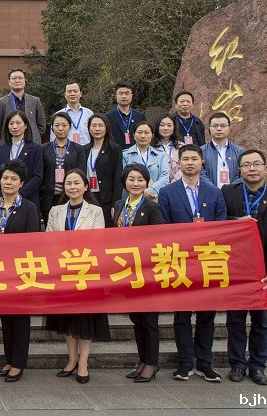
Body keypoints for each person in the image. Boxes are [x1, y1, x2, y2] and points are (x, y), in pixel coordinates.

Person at [158, 143, 227, 384]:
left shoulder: (215, 193)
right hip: (180, 261)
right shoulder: (167, 192)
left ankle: (205, 363)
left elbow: (221, 228)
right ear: (178, 164)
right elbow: (164, 228)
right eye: (185, 159)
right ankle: (185, 362)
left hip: (208, 261)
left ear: (202, 163)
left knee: (207, 316)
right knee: (182, 316)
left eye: (194, 159)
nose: (189, 163)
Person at [223, 149, 267, 386]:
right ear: (239, 170)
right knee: (235, 320)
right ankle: (237, 364)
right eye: (246, 165)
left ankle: (258, 365)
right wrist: (236, 222)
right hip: (234, 267)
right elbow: (217, 223)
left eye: (256, 164)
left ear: (265, 169)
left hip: (261, 270)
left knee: (261, 320)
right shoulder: (227, 193)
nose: (252, 168)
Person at [45, 170, 110, 384]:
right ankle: (72, 359)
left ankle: (83, 363)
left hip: (86, 271)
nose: (72, 187)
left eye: (76, 183)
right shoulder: (55, 211)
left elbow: (98, 240)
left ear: (85, 187)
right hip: (62, 271)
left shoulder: (95, 211)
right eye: (68, 183)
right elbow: (49, 239)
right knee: (67, 318)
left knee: (84, 320)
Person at [109, 164, 164, 383]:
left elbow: (158, 239)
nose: (136, 183)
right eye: (131, 179)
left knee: (149, 320)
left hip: (147, 272)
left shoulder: (151, 207)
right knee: (136, 319)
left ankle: (152, 362)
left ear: (147, 182)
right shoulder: (119, 205)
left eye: (140, 179)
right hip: (127, 272)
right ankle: (142, 361)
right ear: (125, 182)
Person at [0, 159, 42, 382]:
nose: (8, 182)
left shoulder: (29, 208)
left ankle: (19, 363)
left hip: (20, 272)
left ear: (21, 183)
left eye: (13, 179)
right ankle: (9, 359)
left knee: (20, 318)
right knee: (5, 318)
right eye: (5, 178)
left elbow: (32, 242)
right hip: (0, 272)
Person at [0, 110, 42, 209]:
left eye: (18, 123)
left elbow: (38, 177)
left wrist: (18, 194)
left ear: (26, 125)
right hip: (5, 200)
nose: (14, 126)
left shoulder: (35, 148)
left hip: (28, 200)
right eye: (11, 123)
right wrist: (1, 195)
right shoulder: (2, 149)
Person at [41, 112, 84, 223]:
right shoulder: (43, 149)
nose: (60, 128)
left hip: (71, 197)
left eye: (64, 125)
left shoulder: (78, 149)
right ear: (52, 127)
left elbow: (82, 174)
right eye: (57, 125)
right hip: (49, 198)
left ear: (69, 127)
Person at [0, 68, 45, 145]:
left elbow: (42, 126)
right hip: (9, 144)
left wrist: (32, 136)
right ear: (9, 82)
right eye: (14, 78)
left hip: (31, 144)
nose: (17, 81)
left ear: (25, 81)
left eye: (20, 78)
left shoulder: (35, 101)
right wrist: (8, 138)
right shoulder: (1, 102)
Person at [84, 113, 124, 217]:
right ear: (89, 129)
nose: (97, 129)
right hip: (87, 197)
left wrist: (115, 203)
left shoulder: (114, 149)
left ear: (107, 128)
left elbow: (118, 178)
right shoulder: (84, 149)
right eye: (94, 125)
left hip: (106, 198)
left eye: (101, 125)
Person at [121, 120, 170, 201]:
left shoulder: (160, 155)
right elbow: (122, 177)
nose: (143, 136)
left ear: (152, 136)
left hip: (154, 197)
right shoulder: (125, 155)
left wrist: (152, 190)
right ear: (134, 135)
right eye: (139, 132)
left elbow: (165, 176)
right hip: (131, 197)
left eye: (147, 132)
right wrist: (140, 190)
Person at [201, 112, 245, 188]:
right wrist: (214, 190)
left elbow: (243, 174)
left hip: (234, 192)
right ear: (209, 129)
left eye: (223, 126)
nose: (219, 129)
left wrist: (229, 190)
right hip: (209, 193)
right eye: (215, 126)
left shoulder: (239, 151)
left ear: (229, 128)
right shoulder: (201, 151)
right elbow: (200, 174)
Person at [104, 82, 146, 149]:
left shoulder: (140, 116)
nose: (124, 96)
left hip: (136, 152)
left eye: (127, 93)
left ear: (132, 96)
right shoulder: (107, 117)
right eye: (121, 93)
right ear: (116, 96)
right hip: (115, 152)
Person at [154, 115, 182, 183]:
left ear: (174, 127)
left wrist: (173, 184)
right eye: (162, 125)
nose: (165, 128)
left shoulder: (182, 146)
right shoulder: (151, 147)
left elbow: (184, 168)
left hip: (178, 184)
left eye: (169, 125)